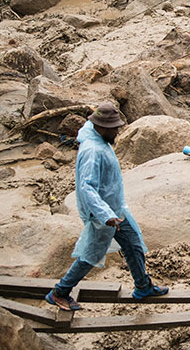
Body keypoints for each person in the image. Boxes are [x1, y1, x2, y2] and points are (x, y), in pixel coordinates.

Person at [45, 103, 168, 311]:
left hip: (115, 208)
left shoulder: (97, 139)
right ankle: (60, 292)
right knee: (90, 254)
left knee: (133, 244)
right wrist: (105, 215)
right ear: (101, 127)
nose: (117, 132)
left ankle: (143, 286)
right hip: (102, 213)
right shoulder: (92, 151)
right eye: (114, 128)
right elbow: (87, 188)